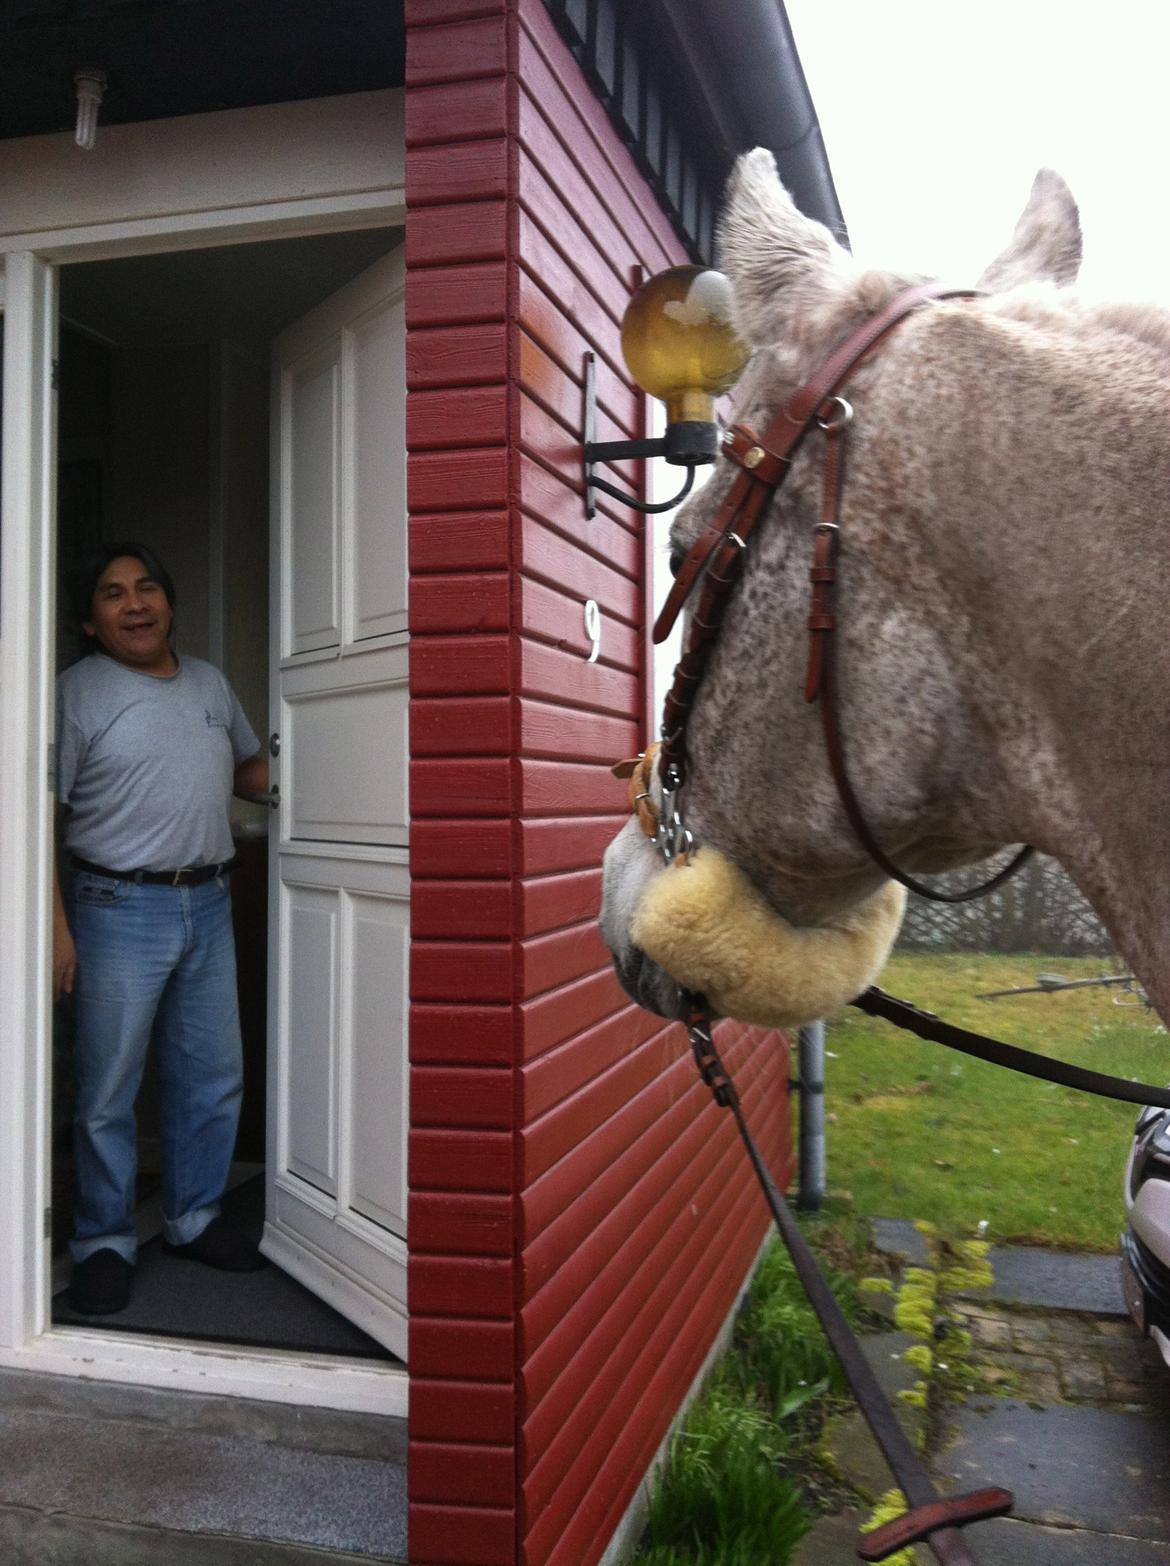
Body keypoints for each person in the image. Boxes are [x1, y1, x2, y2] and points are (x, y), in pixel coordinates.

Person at [54, 542, 269, 1315]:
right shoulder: (75, 694)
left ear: (169, 602)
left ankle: (193, 1217)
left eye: (148, 587)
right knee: (110, 1090)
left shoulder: (208, 683)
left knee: (212, 1078)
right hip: (115, 908)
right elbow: (45, 813)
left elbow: (249, 771)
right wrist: (57, 929)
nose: (135, 603)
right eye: (113, 594)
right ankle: (104, 1242)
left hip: (208, 900)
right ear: (89, 621)